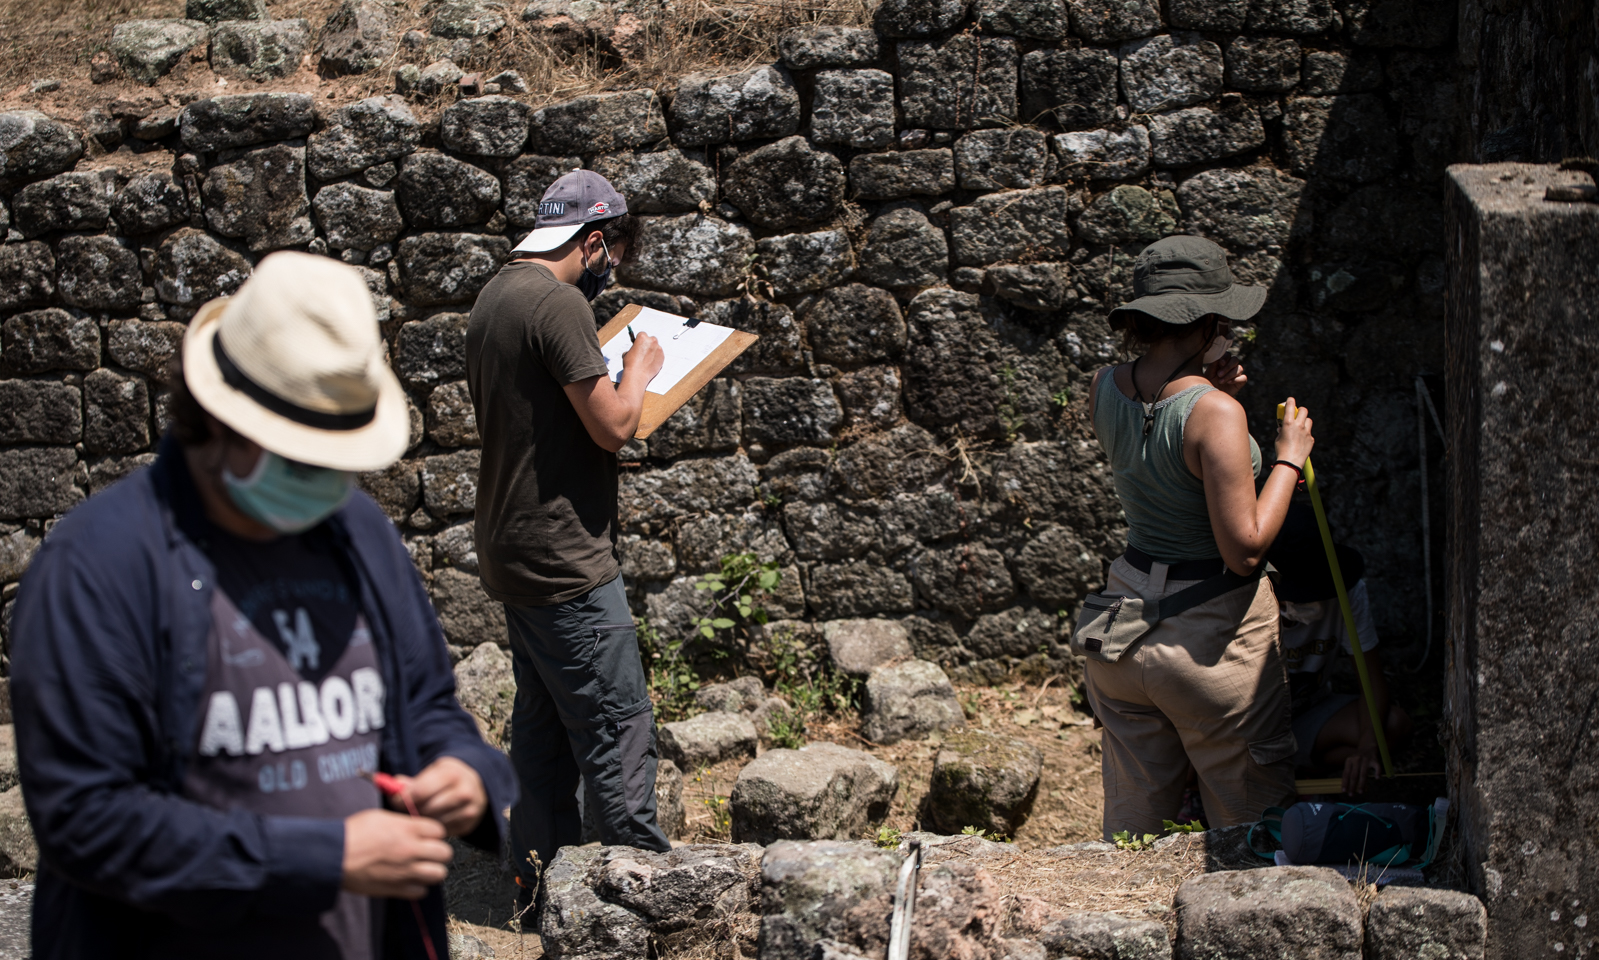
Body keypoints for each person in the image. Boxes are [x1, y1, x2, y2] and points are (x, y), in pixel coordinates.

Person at [10, 252, 516, 959]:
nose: (327, 482)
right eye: (302, 458)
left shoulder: (358, 533)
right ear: (218, 421)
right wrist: (325, 856)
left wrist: (466, 773)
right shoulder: (99, 569)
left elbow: (428, 706)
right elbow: (87, 820)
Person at [465, 170, 670, 896]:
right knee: (617, 726)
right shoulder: (556, 305)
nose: (608, 266)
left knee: (545, 722)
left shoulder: (496, 295)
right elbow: (613, 426)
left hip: (510, 546)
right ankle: (635, 892)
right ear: (591, 241)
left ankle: (540, 881)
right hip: (564, 557)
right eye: (609, 250)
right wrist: (642, 367)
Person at [1084, 235, 1315, 840]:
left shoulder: (1104, 385)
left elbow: (1159, 445)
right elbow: (1244, 552)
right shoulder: (1216, 414)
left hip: (1124, 627)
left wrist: (1213, 395)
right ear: (1211, 321)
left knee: (1134, 835)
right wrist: (1288, 458)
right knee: (1251, 834)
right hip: (1208, 639)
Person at [1267, 503, 1412, 796]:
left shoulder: (1348, 592)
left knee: (1393, 726)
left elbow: (1370, 677)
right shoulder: (1248, 594)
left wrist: (1368, 748)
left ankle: (1309, 766)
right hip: (1256, 725)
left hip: (1309, 713)